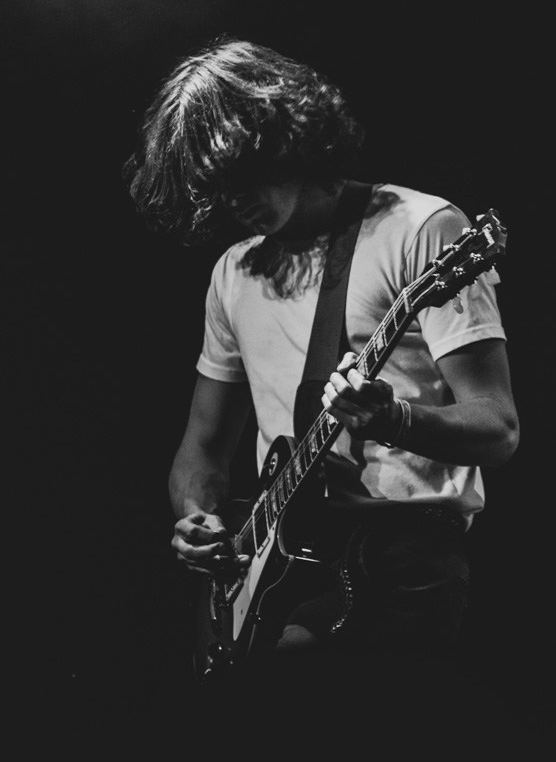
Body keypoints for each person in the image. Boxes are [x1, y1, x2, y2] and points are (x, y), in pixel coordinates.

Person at [125, 36, 519, 709]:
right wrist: (198, 518)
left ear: (284, 137)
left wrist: (393, 418)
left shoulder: (421, 228)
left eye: (242, 177)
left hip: (400, 561)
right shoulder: (232, 273)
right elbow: (201, 449)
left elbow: (497, 428)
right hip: (280, 570)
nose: (232, 204)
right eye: (213, 192)